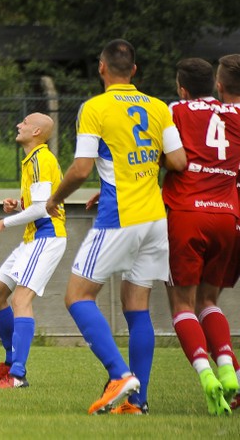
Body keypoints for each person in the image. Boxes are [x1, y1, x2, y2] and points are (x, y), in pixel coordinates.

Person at [45, 39, 187, 415]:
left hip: (119, 218)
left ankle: (119, 374)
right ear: (135, 71)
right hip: (155, 219)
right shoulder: (158, 107)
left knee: (77, 296)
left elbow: (80, 168)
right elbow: (177, 160)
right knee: (135, 305)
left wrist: (55, 199)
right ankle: (137, 402)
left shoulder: (95, 107)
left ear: (101, 68)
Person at [162, 57, 240, 416]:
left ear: (182, 87)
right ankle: (229, 367)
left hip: (186, 213)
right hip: (227, 215)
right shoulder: (235, 116)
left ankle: (207, 375)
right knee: (209, 301)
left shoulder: (175, 110)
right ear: (216, 87)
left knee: (181, 304)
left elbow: (161, 155)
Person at [0, 112, 67, 389]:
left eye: (25, 122)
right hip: (33, 236)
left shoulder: (42, 158)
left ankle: (17, 374)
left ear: (37, 132)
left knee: (20, 300)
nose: (18, 124)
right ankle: (9, 362)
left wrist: (3, 222)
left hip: (47, 235)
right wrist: (17, 205)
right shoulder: (32, 159)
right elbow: (39, 201)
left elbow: (43, 209)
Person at [211, 54, 240, 411]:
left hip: (224, 216)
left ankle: (230, 372)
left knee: (203, 301)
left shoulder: (211, 119)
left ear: (219, 86)